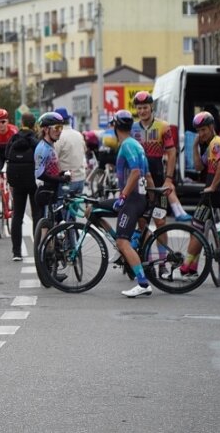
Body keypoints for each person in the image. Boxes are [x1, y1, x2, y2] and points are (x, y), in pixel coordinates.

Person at [97, 110, 154, 298]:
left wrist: (122, 196)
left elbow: (136, 172)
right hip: (139, 198)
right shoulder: (136, 144)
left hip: (131, 200)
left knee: (123, 241)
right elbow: (147, 175)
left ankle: (143, 283)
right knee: (93, 209)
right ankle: (123, 249)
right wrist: (151, 199)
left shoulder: (127, 145)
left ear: (115, 126)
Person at [177, 111, 220, 279]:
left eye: (203, 130)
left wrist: (212, 187)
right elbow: (200, 167)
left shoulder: (216, 143)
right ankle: (193, 267)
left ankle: (186, 267)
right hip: (217, 192)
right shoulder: (210, 145)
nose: (201, 134)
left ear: (211, 127)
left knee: (196, 228)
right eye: (198, 131)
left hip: (213, 193)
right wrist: (194, 146)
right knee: (200, 228)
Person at [130, 91, 191, 221]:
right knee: (141, 220)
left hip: (157, 176)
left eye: (145, 107)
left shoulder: (163, 126)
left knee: (160, 220)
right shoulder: (132, 128)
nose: (142, 111)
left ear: (151, 107)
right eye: (139, 108)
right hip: (139, 179)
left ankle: (162, 242)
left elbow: (172, 152)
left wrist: (168, 178)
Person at [5, 112, 40, 261]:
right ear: (34, 124)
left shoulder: (13, 138)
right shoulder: (35, 140)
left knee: (17, 216)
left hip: (17, 181)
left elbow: (7, 155)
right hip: (32, 181)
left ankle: (16, 252)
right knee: (36, 215)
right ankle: (38, 249)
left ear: (21, 123)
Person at [33, 112, 70, 219]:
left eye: (61, 127)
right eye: (56, 128)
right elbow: (39, 174)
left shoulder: (50, 145)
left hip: (53, 191)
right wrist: (60, 179)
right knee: (47, 229)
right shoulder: (42, 148)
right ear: (45, 129)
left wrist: (61, 174)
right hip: (45, 192)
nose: (60, 131)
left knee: (55, 225)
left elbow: (49, 169)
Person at [53, 107, 86, 196]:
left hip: (67, 180)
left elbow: (53, 158)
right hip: (80, 178)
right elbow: (83, 152)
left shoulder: (59, 136)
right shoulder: (78, 134)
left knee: (63, 209)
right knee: (74, 209)